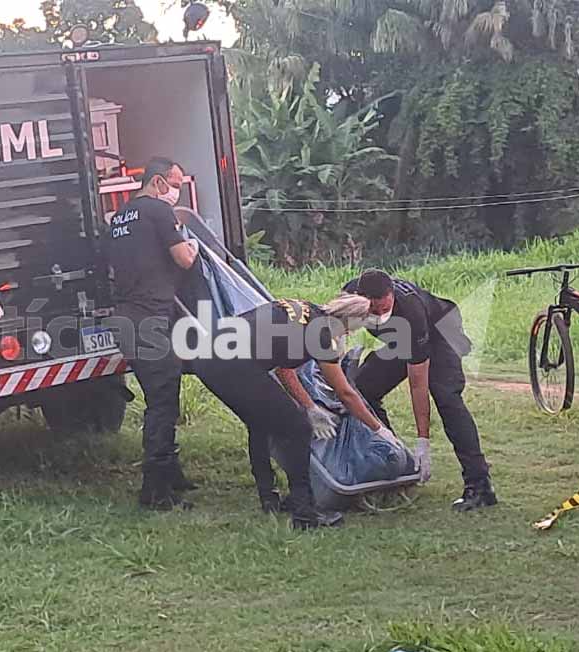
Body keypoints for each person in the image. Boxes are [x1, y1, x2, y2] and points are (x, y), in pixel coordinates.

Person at [194, 294, 392, 529]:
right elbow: (345, 392)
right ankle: (305, 513)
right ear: (350, 322)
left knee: (260, 421)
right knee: (298, 429)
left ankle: (269, 497)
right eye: (353, 330)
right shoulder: (323, 335)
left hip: (208, 356)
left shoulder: (306, 310)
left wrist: (309, 406)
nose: (348, 336)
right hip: (232, 362)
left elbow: (284, 369)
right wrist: (378, 429)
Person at [344, 270, 496, 512]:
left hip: (439, 330)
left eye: (386, 309)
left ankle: (480, 486)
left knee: (446, 396)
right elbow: (335, 332)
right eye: (374, 312)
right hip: (400, 338)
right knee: (362, 388)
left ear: (391, 295)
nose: (380, 315)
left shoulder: (410, 310)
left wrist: (423, 441)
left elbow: (418, 384)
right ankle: (393, 459)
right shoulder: (349, 299)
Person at [105, 157, 199, 511]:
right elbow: (184, 260)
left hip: (127, 318)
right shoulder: (159, 211)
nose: (177, 190)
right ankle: (156, 492)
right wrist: (194, 247)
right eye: (175, 183)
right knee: (162, 404)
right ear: (158, 182)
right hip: (148, 320)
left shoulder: (120, 218)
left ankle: (172, 475)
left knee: (163, 397)